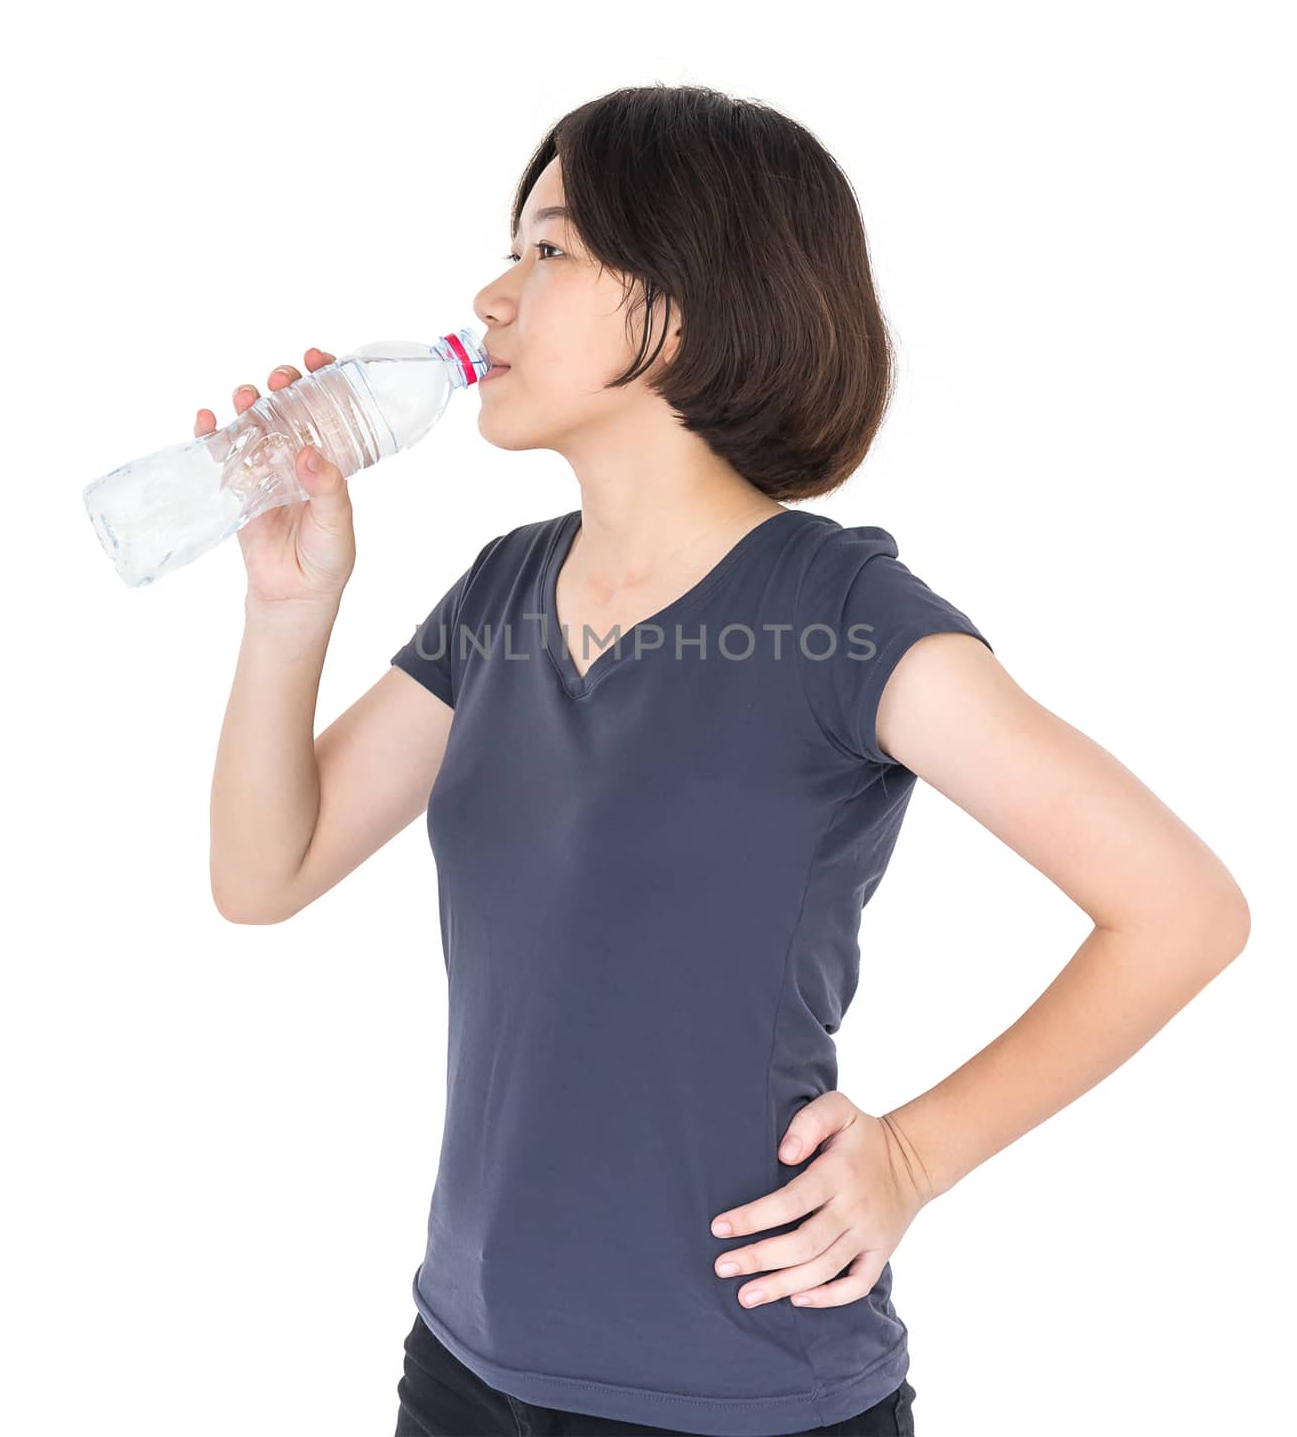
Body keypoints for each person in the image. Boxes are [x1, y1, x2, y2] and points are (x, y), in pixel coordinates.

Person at [203, 85, 1251, 1437]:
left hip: (741, 1391)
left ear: (686, 300)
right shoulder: (501, 591)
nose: (493, 294)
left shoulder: (839, 619)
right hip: (465, 1366)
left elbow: (1182, 912)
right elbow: (261, 875)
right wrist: (289, 612)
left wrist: (914, 1157)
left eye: (549, 250)